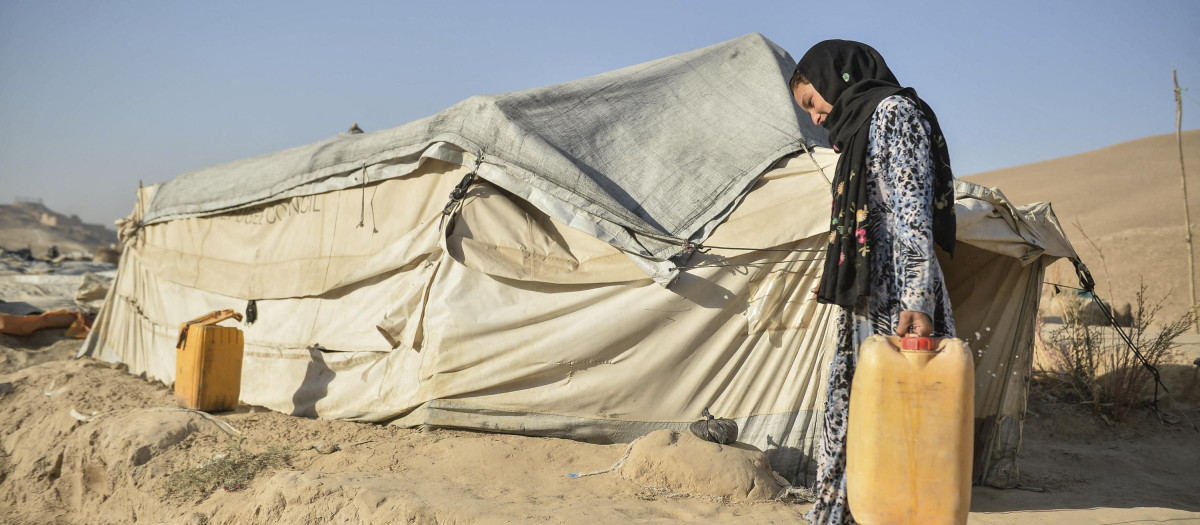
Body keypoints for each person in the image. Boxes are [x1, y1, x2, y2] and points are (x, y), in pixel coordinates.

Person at [790, 40, 958, 525]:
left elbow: (912, 213)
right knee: (856, 418)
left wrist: (918, 298)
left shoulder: (892, 115)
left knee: (895, 427)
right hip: (868, 297)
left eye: (812, 102)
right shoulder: (857, 130)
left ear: (836, 79)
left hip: (899, 301)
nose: (816, 116)